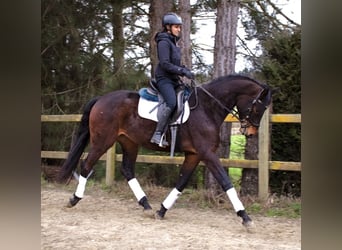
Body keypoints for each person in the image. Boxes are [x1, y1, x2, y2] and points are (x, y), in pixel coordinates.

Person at [150, 12, 194, 147]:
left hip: (174, 79)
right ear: (168, 27)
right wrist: (181, 71)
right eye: (176, 27)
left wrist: (185, 70)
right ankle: (157, 134)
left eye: (179, 27)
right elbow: (165, 63)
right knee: (172, 102)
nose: (179, 29)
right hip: (164, 79)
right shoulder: (163, 41)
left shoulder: (173, 43)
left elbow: (174, 63)